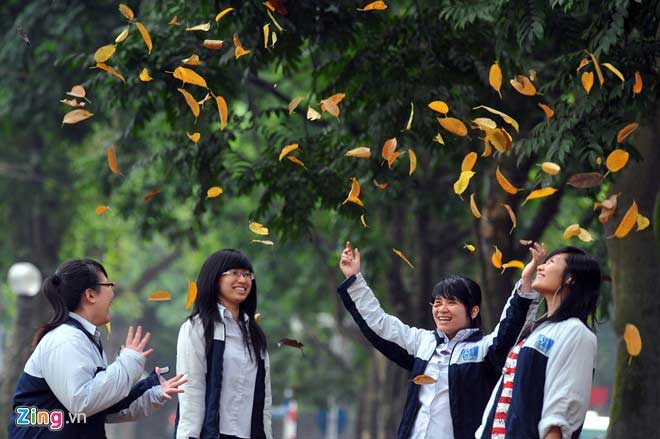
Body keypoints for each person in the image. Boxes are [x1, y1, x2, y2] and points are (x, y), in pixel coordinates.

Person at [338, 241, 540, 439]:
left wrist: (525, 283)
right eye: (437, 303)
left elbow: (509, 329)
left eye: (452, 303)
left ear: (473, 310)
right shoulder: (421, 342)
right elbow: (379, 324)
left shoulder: (483, 349)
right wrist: (354, 280)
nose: (442, 309)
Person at [8, 258, 187, 438]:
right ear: (90, 295)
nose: (113, 290)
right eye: (109, 284)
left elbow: (103, 407)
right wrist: (128, 361)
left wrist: (153, 391)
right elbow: (83, 401)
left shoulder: (82, 339)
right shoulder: (66, 339)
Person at [476, 245, 601, 439]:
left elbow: (562, 411)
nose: (540, 267)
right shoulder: (537, 331)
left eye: (551, 262)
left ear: (570, 278)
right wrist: (526, 280)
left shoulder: (576, 333)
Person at [175, 249, 272, 439]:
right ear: (214, 278)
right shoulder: (197, 327)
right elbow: (191, 390)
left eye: (247, 274)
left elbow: (264, 398)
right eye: (234, 273)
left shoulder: (255, 334)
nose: (243, 280)